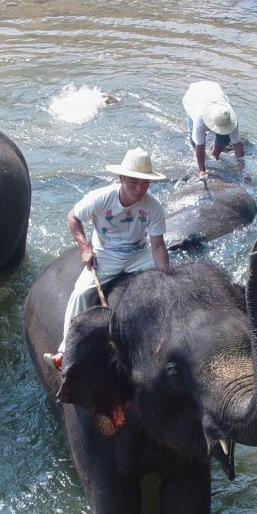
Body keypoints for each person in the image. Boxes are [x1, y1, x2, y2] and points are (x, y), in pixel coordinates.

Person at [43, 147, 169, 371]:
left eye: (145, 183)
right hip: (106, 253)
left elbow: (157, 245)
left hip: (139, 253)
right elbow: (73, 217)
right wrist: (85, 247)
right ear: (121, 178)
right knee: (81, 293)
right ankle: (65, 351)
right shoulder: (101, 198)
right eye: (133, 181)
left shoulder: (153, 207)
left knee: (167, 291)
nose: (140, 189)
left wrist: (166, 276)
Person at [182, 80, 246, 181]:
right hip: (194, 97)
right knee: (194, 139)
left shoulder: (230, 117)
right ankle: (201, 160)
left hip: (214, 92)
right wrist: (202, 171)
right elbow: (200, 145)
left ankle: (215, 155)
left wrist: (244, 173)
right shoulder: (199, 119)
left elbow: (237, 145)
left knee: (225, 138)